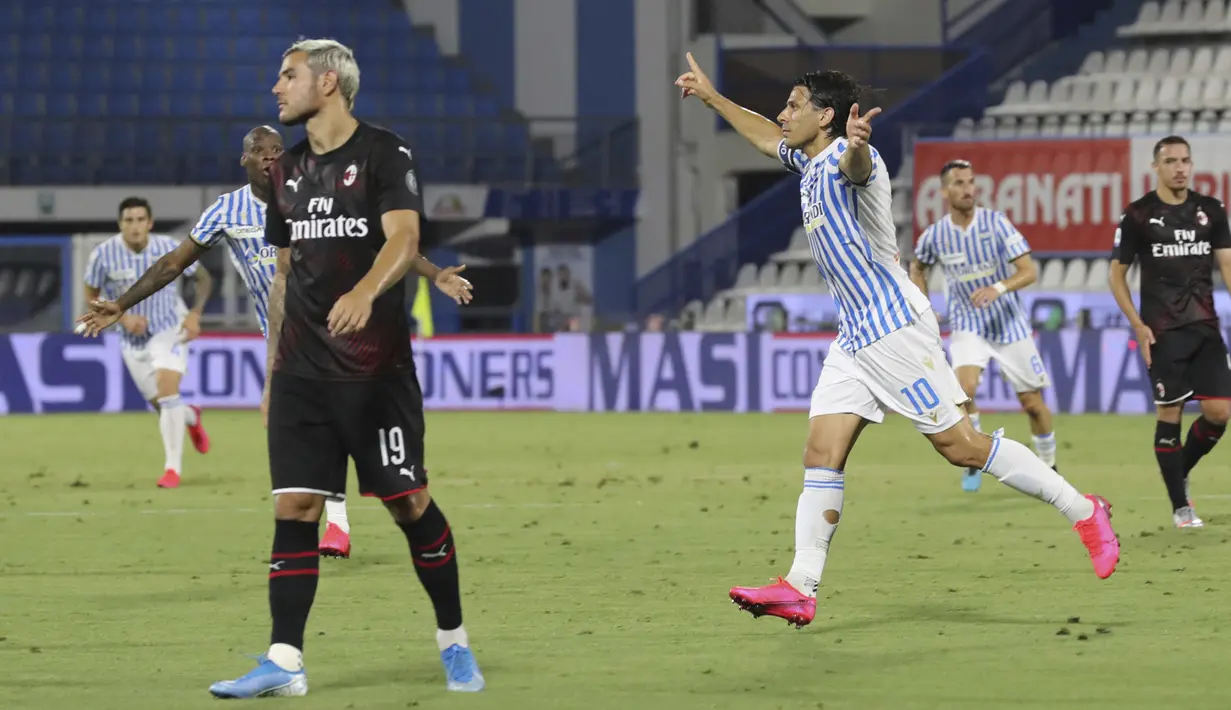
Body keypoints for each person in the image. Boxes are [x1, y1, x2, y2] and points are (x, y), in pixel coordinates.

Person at [674, 52, 1120, 629]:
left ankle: (1085, 511)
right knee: (821, 452)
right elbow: (765, 140)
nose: (783, 114)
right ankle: (800, 586)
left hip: (895, 327)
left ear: (828, 116)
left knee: (960, 446)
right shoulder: (808, 161)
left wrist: (858, 142)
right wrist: (712, 97)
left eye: (794, 105)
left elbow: (857, 167)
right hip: (855, 336)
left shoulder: (847, 157)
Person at [206, 38, 480, 698]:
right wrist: (274, 363)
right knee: (296, 506)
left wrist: (363, 292)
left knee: (409, 503)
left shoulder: (386, 153)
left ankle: (453, 641)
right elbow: (282, 270)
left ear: (327, 82)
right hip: (302, 368)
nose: (277, 87)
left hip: (374, 373)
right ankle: (284, 660)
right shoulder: (286, 173)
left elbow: (404, 237)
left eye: (288, 75)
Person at [77, 126, 469, 559]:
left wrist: (436, 274)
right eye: (258, 152)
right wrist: (121, 303)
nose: (268, 158)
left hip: (345, 323)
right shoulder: (228, 211)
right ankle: (337, 523)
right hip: (285, 337)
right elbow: (173, 263)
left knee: (353, 421)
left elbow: (385, 242)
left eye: (276, 151)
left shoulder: (317, 196)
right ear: (243, 159)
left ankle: (386, 471)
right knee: (312, 429)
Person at [910, 159, 1059, 493]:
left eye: (971, 182)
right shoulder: (936, 235)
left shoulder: (996, 224)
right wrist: (925, 307)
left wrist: (999, 288)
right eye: (960, 183)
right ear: (945, 191)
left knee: (1033, 405)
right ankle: (975, 459)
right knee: (965, 392)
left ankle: (1049, 465)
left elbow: (1028, 270)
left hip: (1009, 325)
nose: (967, 189)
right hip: (968, 325)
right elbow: (917, 269)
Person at [1109, 135, 1231, 529]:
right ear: (1156, 167)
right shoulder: (1139, 215)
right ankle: (1182, 508)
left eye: (1185, 160)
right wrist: (1139, 326)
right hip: (1163, 333)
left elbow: (1227, 265)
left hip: (1205, 328)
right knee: (1171, 413)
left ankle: (1177, 470)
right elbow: (1116, 276)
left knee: (1219, 413)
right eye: (1171, 161)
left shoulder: (1210, 210)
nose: (1180, 167)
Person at [81, 196, 213, 488]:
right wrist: (125, 319)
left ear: (150, 223)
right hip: (131, 340)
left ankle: (172, 470)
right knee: (162, 404)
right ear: (120, 224)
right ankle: (190, 416)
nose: (135, 226)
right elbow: (90, 293)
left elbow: (203, 278)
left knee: (168, 395)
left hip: (170, 328)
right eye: (129, 220)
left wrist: (194, 314)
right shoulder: (103, 255)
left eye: (141, 219)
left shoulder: (168, 247)